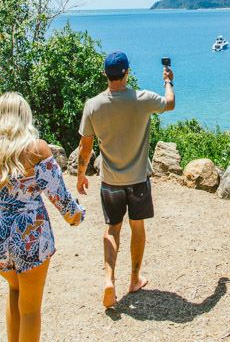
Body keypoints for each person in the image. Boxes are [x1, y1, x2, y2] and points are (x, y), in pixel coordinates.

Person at [0, 92, 85, 342]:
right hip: (28, 233)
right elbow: (59, 195)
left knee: (14, 290)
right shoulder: (36, 148)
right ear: (24, 116)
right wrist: (75, 216)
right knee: (31, 308)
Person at [75, 51, 175, 309]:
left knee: (112, 229)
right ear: (127, 72)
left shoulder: (93, 105)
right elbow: (170, 103)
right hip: (138, 179)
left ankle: (109, 279)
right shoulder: (142, 99)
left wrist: (81, 175)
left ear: (105, 75)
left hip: (110, 181)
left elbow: (85, 147)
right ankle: (134, 278)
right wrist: (168, 81)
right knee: (137, 227)